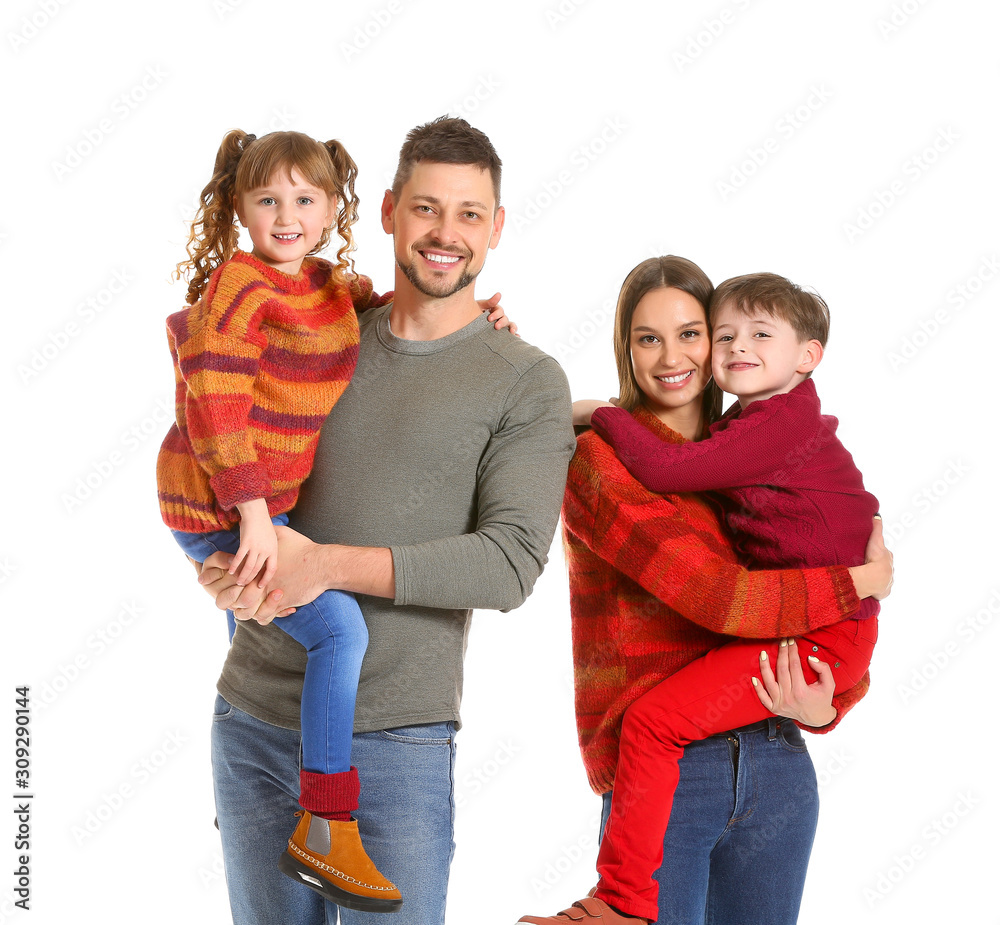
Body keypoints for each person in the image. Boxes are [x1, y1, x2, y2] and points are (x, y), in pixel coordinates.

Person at [197, 116, 576, 925]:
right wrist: (217, 562)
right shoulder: (318, 332)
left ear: (498, 227)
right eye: (427, 208)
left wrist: (326, 564)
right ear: (388, 210)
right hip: (254, 722)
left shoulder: (526, 380)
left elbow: (508, 566)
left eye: (470, 213)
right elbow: (219, 440)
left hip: (399, 740)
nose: (446, 233)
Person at [518, 256, 892, 925]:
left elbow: (809, 634)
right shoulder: (599, 464)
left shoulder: (740, 461)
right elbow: (724, 599)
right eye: (647, 337)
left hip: (778, 761)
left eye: (692, 333)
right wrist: (855, 583)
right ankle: (618, 901)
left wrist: (824, 706)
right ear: (624, 349)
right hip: (669, 783)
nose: (673, 356)